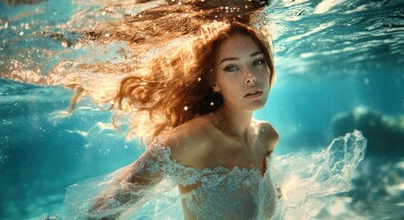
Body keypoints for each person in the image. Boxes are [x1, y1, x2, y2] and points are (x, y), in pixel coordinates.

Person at [69, 20, 279, 220]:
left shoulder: (267, 136)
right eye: (231, 67)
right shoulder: (192, 140)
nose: (250, 76)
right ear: (214, 81)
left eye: (258, 61)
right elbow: (102, 211)